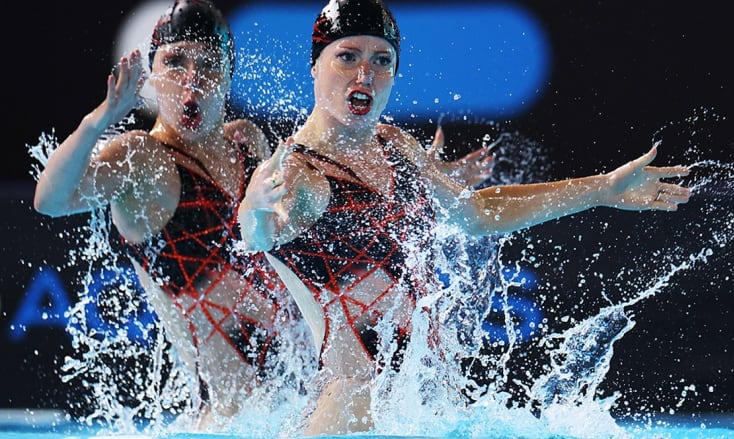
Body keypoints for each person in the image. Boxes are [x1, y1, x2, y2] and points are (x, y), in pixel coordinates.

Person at [237, 0, 692, 435]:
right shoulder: (296, 172)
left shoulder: (396, 146)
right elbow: (259, 234)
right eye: (347, 56)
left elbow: (476, 213)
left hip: (424, 411)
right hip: (350, 417)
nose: (365, 74)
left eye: (381, 60)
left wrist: (603, 188)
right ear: (315, 65)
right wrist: (253, 208)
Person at [33, 0, 305, 427]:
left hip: (294, 402)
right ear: (153, 74)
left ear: (228, 77)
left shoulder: (248, 143)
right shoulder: (143, 159)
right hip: (226, 421)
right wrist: (100, 119)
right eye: (175, 62)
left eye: (210, 65)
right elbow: (50, 200)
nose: (192, 80)